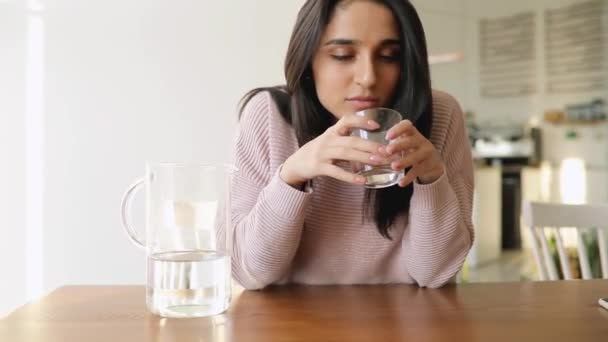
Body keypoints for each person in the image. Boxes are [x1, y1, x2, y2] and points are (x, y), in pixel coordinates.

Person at [227, 0, 474, 289]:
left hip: (401, 323)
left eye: (389, 56)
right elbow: (250, 273)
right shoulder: (268, 115)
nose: (368, 78)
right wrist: (291, 176)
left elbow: (435, 274)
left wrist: (432, 180)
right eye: (343, 55)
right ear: (307, 60)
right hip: (293, 326)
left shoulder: (440, 114)